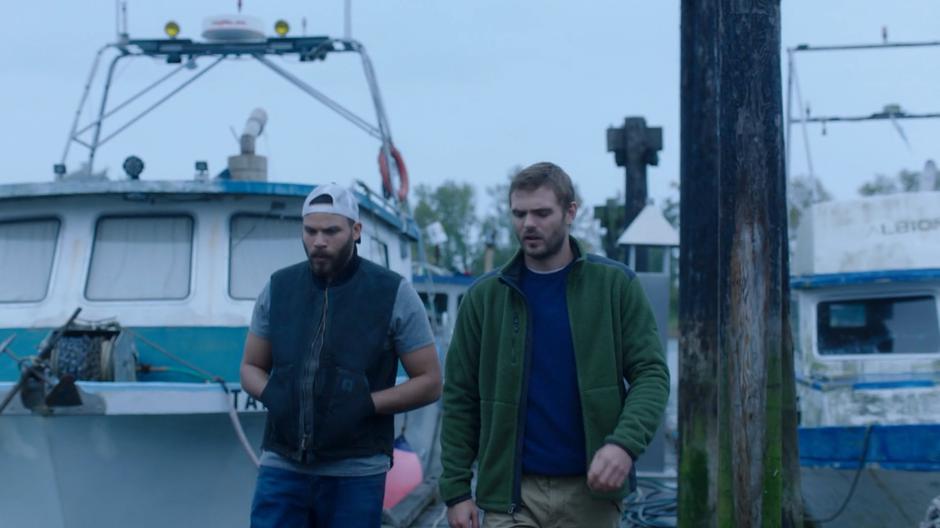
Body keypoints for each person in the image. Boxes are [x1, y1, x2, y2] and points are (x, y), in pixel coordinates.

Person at [440, 162, 670, 528]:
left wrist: (623, 445)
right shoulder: (484, 298)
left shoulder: (615, 286)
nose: (528, 223)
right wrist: (456, 490)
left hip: (592, 491)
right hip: (510, 494)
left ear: (570, 212)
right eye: (519, 213)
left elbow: (651, 374)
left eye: (542, 213)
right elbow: (459, 397)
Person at [240, 183, 442, 528]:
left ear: (356, 231)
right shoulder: (278, 288)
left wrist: (367, 403)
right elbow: (250, 367)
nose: (319, 241)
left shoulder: (392, 292)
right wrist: (269, 392)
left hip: (356, 472)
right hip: (282, 466)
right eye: (311, 231)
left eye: (331, 231)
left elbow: (430, 381)